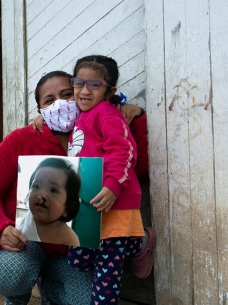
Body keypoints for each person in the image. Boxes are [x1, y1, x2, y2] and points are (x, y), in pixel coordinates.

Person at [0, 70, 148, 305]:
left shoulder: (101, 133)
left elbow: (140, 169)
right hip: (26, 242)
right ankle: (16, 298)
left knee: (88, 301)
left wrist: (134, 118)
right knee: (10, 273)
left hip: (73, 253)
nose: (61, 103)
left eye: (67, 94)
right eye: (50, 100)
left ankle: (50, 290)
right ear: (41, 111)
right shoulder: (21, 139)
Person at [65, 55, 156, 304]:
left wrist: (113, 185)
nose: (84, 90)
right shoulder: (80, 114)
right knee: (78, 260)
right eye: (78, 83)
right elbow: (54, 114)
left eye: (94, 85)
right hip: (88, 205)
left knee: (107, 273)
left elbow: (124, 151)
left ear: (109, 91)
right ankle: (138, 242)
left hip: (115, 204)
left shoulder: (108, 114)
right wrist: (41, 117)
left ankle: (135, 241)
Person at [18, 157, 81, 246]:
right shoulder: (27, 219)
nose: (41, 195)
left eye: (53, 190)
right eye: (36, 186)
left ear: (67, 207)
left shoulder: (67, 237)